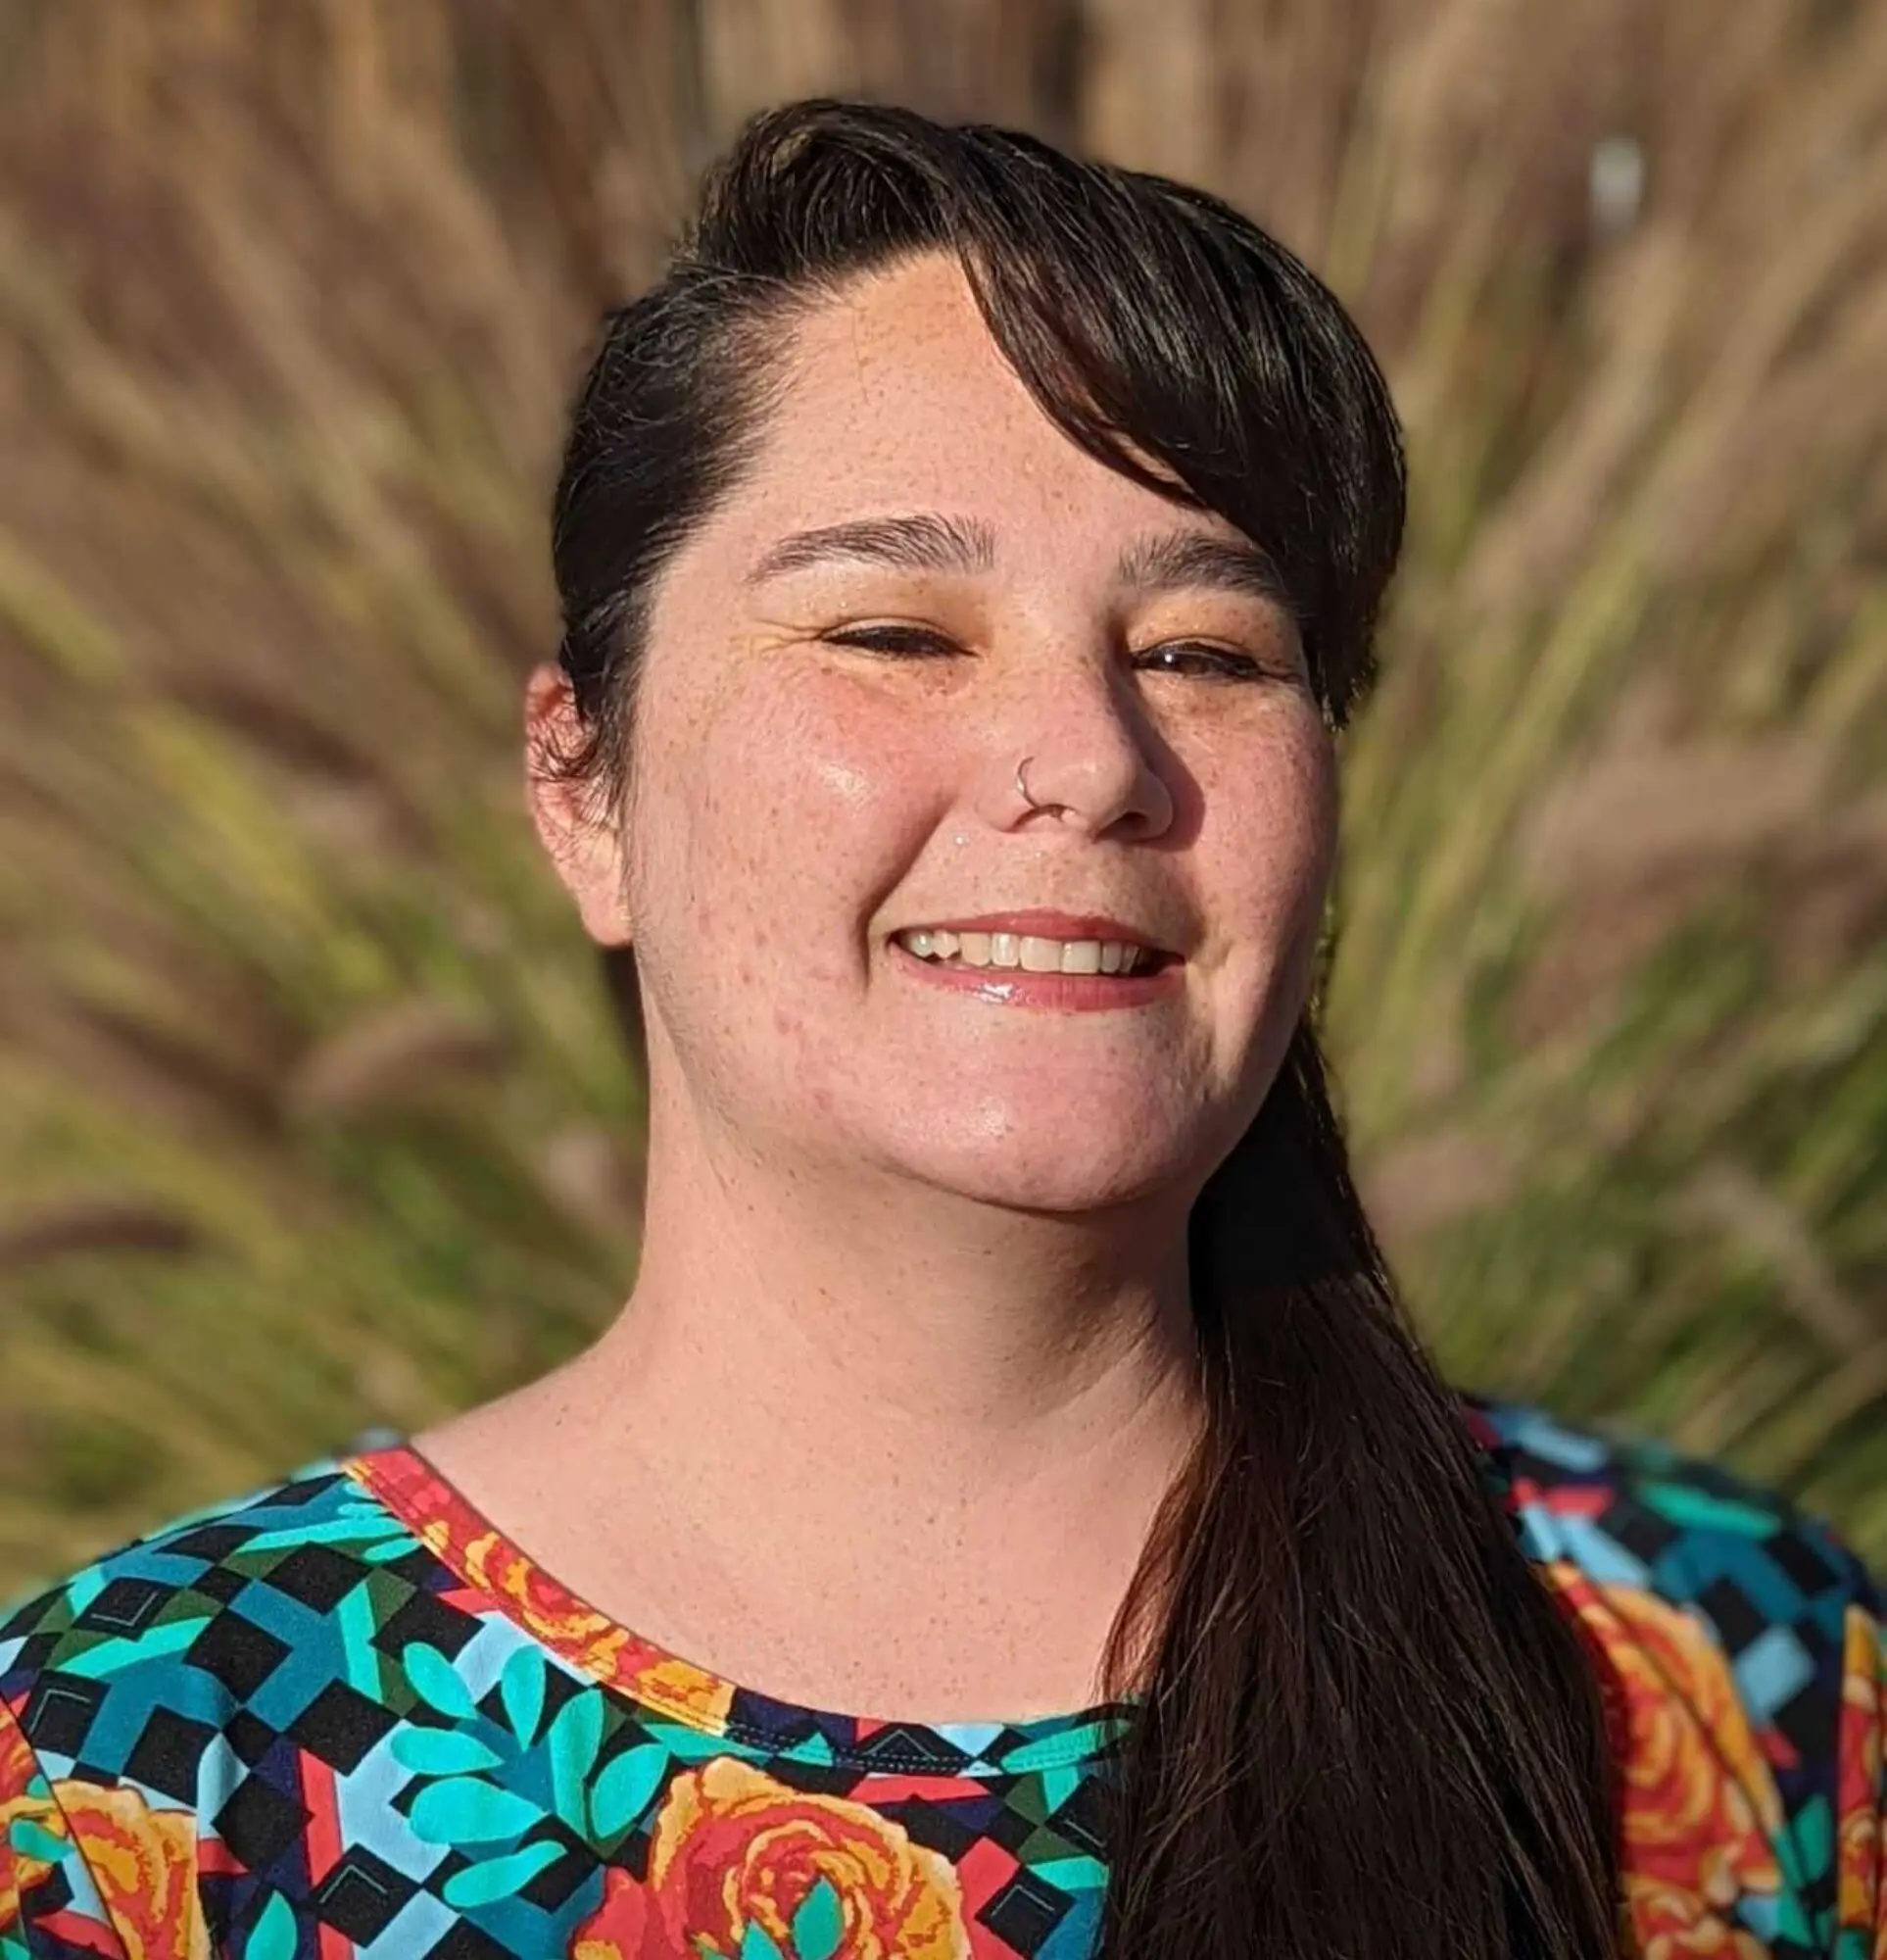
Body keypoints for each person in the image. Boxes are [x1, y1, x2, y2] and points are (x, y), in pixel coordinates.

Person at [0, 95, 1880, 1960]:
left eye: (1205, 654)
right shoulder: (153, 1779)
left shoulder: (1723, 1685)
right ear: (584, 790)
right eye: (894, 634)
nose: (1087, 761)